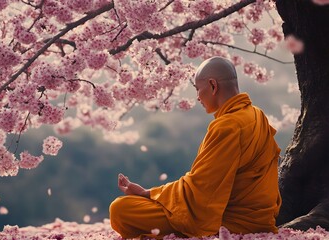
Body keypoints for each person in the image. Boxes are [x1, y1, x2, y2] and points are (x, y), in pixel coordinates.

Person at [109, 56, 282, 239]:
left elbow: (201, 189)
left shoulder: (227, 126)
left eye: (198, 89)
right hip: (260, 218)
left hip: (229, 221)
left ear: (213, 86)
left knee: (120, 209)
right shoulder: (257, 114)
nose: (197, 97)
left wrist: (148, 193)